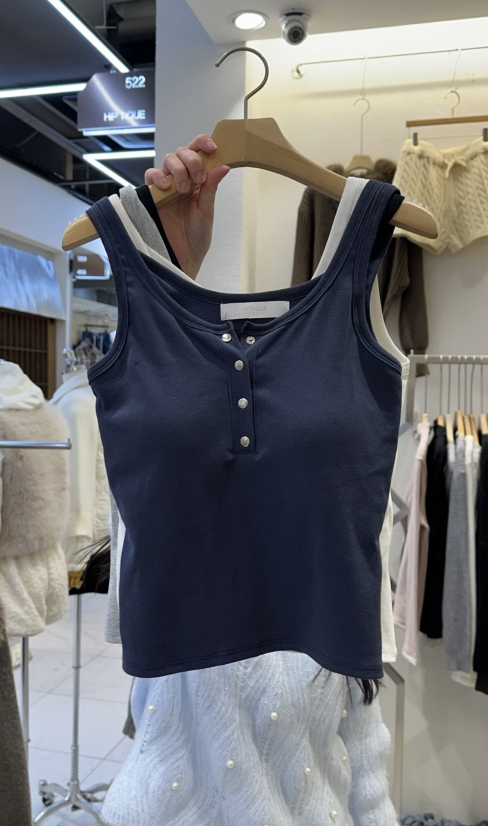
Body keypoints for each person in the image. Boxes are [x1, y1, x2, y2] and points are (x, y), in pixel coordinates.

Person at [96, 137, 399, 826]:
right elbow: (136, 507)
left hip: (318, 729)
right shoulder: (132, 272)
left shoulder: (364, 254)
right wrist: (175, 264)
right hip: (169, 749)